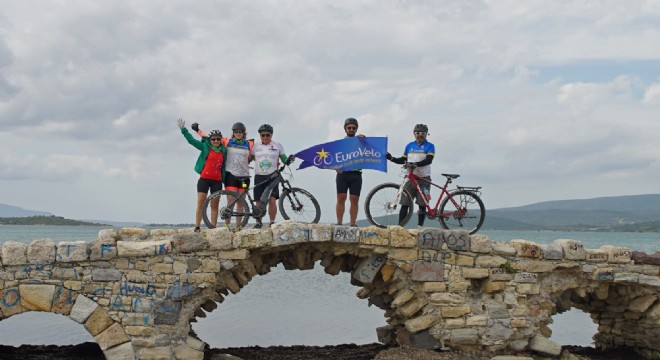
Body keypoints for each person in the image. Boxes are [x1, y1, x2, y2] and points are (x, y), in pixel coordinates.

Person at [194, 121, 253, 229]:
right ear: (233, 133)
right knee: (231, 201)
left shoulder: (249, 144)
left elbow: (257, 155)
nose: (238, 133)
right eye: (236, 132)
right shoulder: (227, 141)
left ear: (244, 133)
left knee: (241, 203)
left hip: (244, 177)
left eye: (240, 132)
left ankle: (239, 227)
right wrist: (198, 131)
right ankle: (227, 226)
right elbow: (211, 138)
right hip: (231, 176)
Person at [177, 118, 226, 232]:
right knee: (200, 203)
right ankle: (197, 227)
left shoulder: (224, 151)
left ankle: (213, 228)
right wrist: (184, 130)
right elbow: (192, 141)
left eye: (218, 139)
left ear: (220, 140)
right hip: (204, 179)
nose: (215, 141)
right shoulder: (205, 147)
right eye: (213, 139)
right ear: (210, 140)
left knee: (214, 206)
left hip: (217, 181)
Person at [386, 123, 435, 228]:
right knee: (404, 203)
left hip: (424, 179)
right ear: (414, 134)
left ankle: (419, 227)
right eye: (417, 133)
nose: (420, 135)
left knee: (422, 204)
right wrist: (391, 158)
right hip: (410, 178)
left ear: (426, 134)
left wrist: (416, 164)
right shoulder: (409, 146)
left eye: (423, 133)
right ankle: (400, 227)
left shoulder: (430, 146)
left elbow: (429, 160)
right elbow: (403, 159)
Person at [251, 124, 294, 228]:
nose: (265, 137)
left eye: (267, 135)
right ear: (260, 135)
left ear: (271, 135)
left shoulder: (277, 145)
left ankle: (272, 222)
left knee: (272, 199)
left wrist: (289, 159)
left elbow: (284, 159)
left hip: (272, 176)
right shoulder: (255, 146)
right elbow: (249, 158)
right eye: (263, 135)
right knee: (258, 200)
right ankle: (258, 222)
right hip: (259, 175)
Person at [336, 117, 365, 227]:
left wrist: (364, 139)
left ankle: (353, 224)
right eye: (349, 128)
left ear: (356, 129)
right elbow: (334, 157)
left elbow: (371, 149)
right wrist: (336, 167)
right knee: (341, 198)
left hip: (356, 174)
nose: (351, 129)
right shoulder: (340, 143)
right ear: (345, 129)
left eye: (354, 128)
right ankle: (339, 223)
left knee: (354, 200)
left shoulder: (361, 142)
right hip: (342, 174)